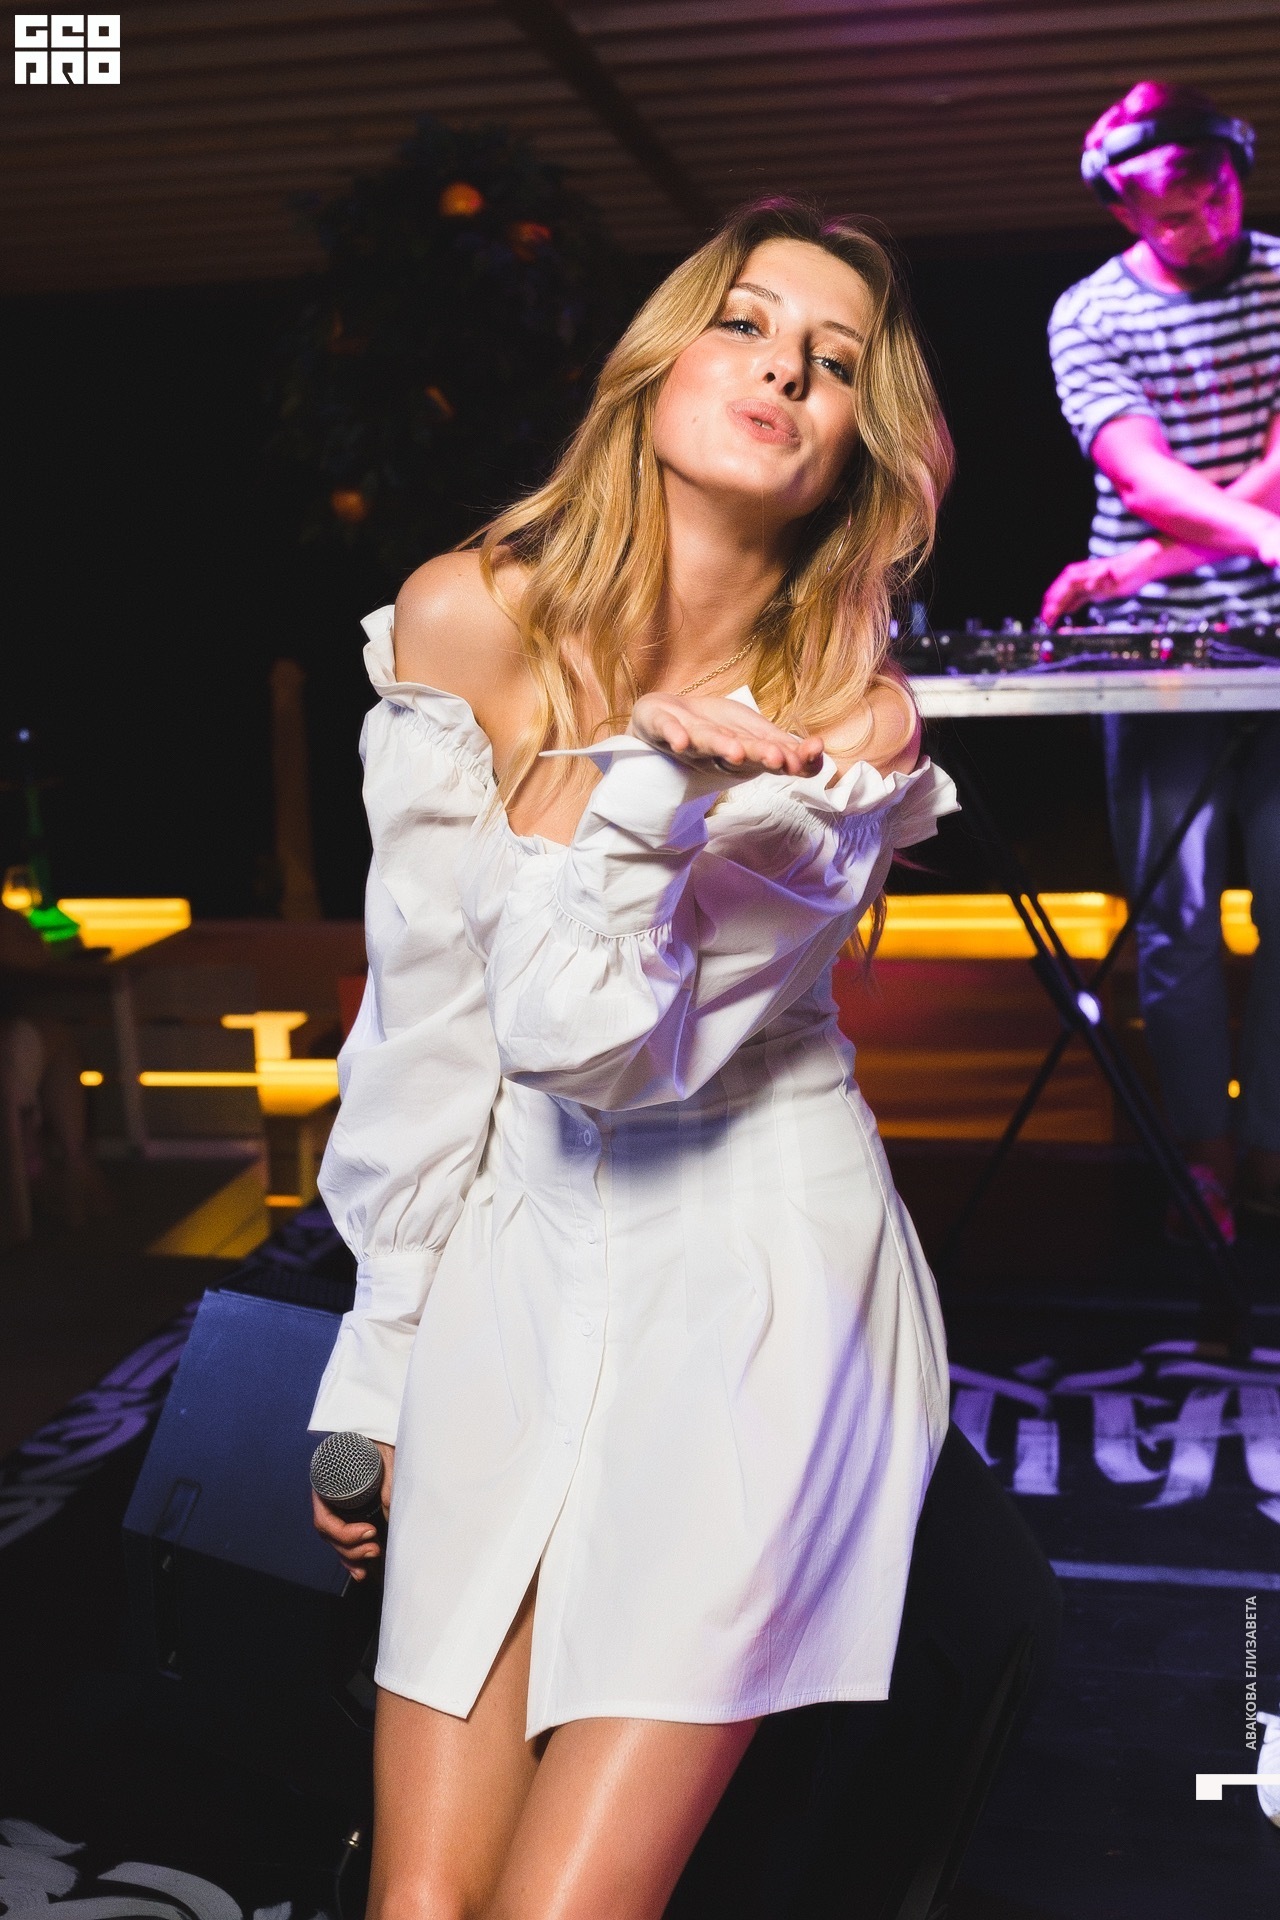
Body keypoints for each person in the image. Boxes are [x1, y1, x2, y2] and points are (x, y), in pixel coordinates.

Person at [309, 197, 957, 1920]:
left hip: (754, 1282)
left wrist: (652, 794)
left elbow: (599, 1052)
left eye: (833, 363)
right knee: (420, 1904)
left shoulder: (854, 723)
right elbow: (431, 1020)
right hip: (512, 1257)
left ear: (856, 451)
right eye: (745, 322)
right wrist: (377, 1362)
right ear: (659, 366)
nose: (783, 369)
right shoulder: (465, 617)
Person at [1043, 81, 1280, 1239]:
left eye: (1215, 195)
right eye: (1169, 213)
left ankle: (1270, 1147)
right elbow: (1140, 475)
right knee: (1173, 914)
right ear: (1122, 211)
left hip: (1260, 628)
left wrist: (1143, 561)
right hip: (1153, 649)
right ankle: (1202, 1160)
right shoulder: (1087, 314)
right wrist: (1234, 539)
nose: (1201, 226)